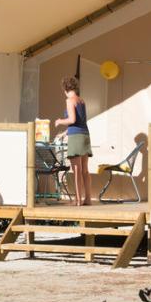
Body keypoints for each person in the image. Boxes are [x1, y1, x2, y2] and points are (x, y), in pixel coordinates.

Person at [54, 76, 92, 206]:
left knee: (76, 170)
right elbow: (80, 122)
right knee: (85, 170)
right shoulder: (81, 101)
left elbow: (72, 120)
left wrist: (59, 121)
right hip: (85, 134)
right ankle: (87, 199)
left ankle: (77, 200)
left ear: (65, 89)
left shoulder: (69, 100)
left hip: (76, 138)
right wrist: (65, 133)